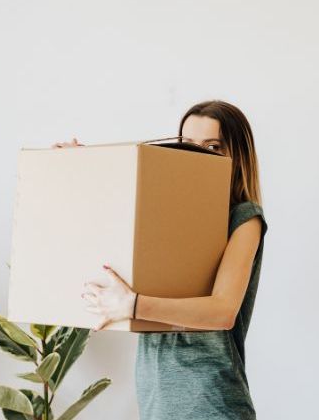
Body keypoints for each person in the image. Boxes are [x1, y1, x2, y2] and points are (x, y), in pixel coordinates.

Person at [69, 100, 266, 419]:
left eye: (212, 147)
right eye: (188, 146)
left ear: (237, 156)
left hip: (210, 402)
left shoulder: (244, 218)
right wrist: (79, 168)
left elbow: (223, 311)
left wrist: (134, 305)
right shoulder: (166, 214)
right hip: (156, 399)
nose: (198, 157)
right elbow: (111, 216)